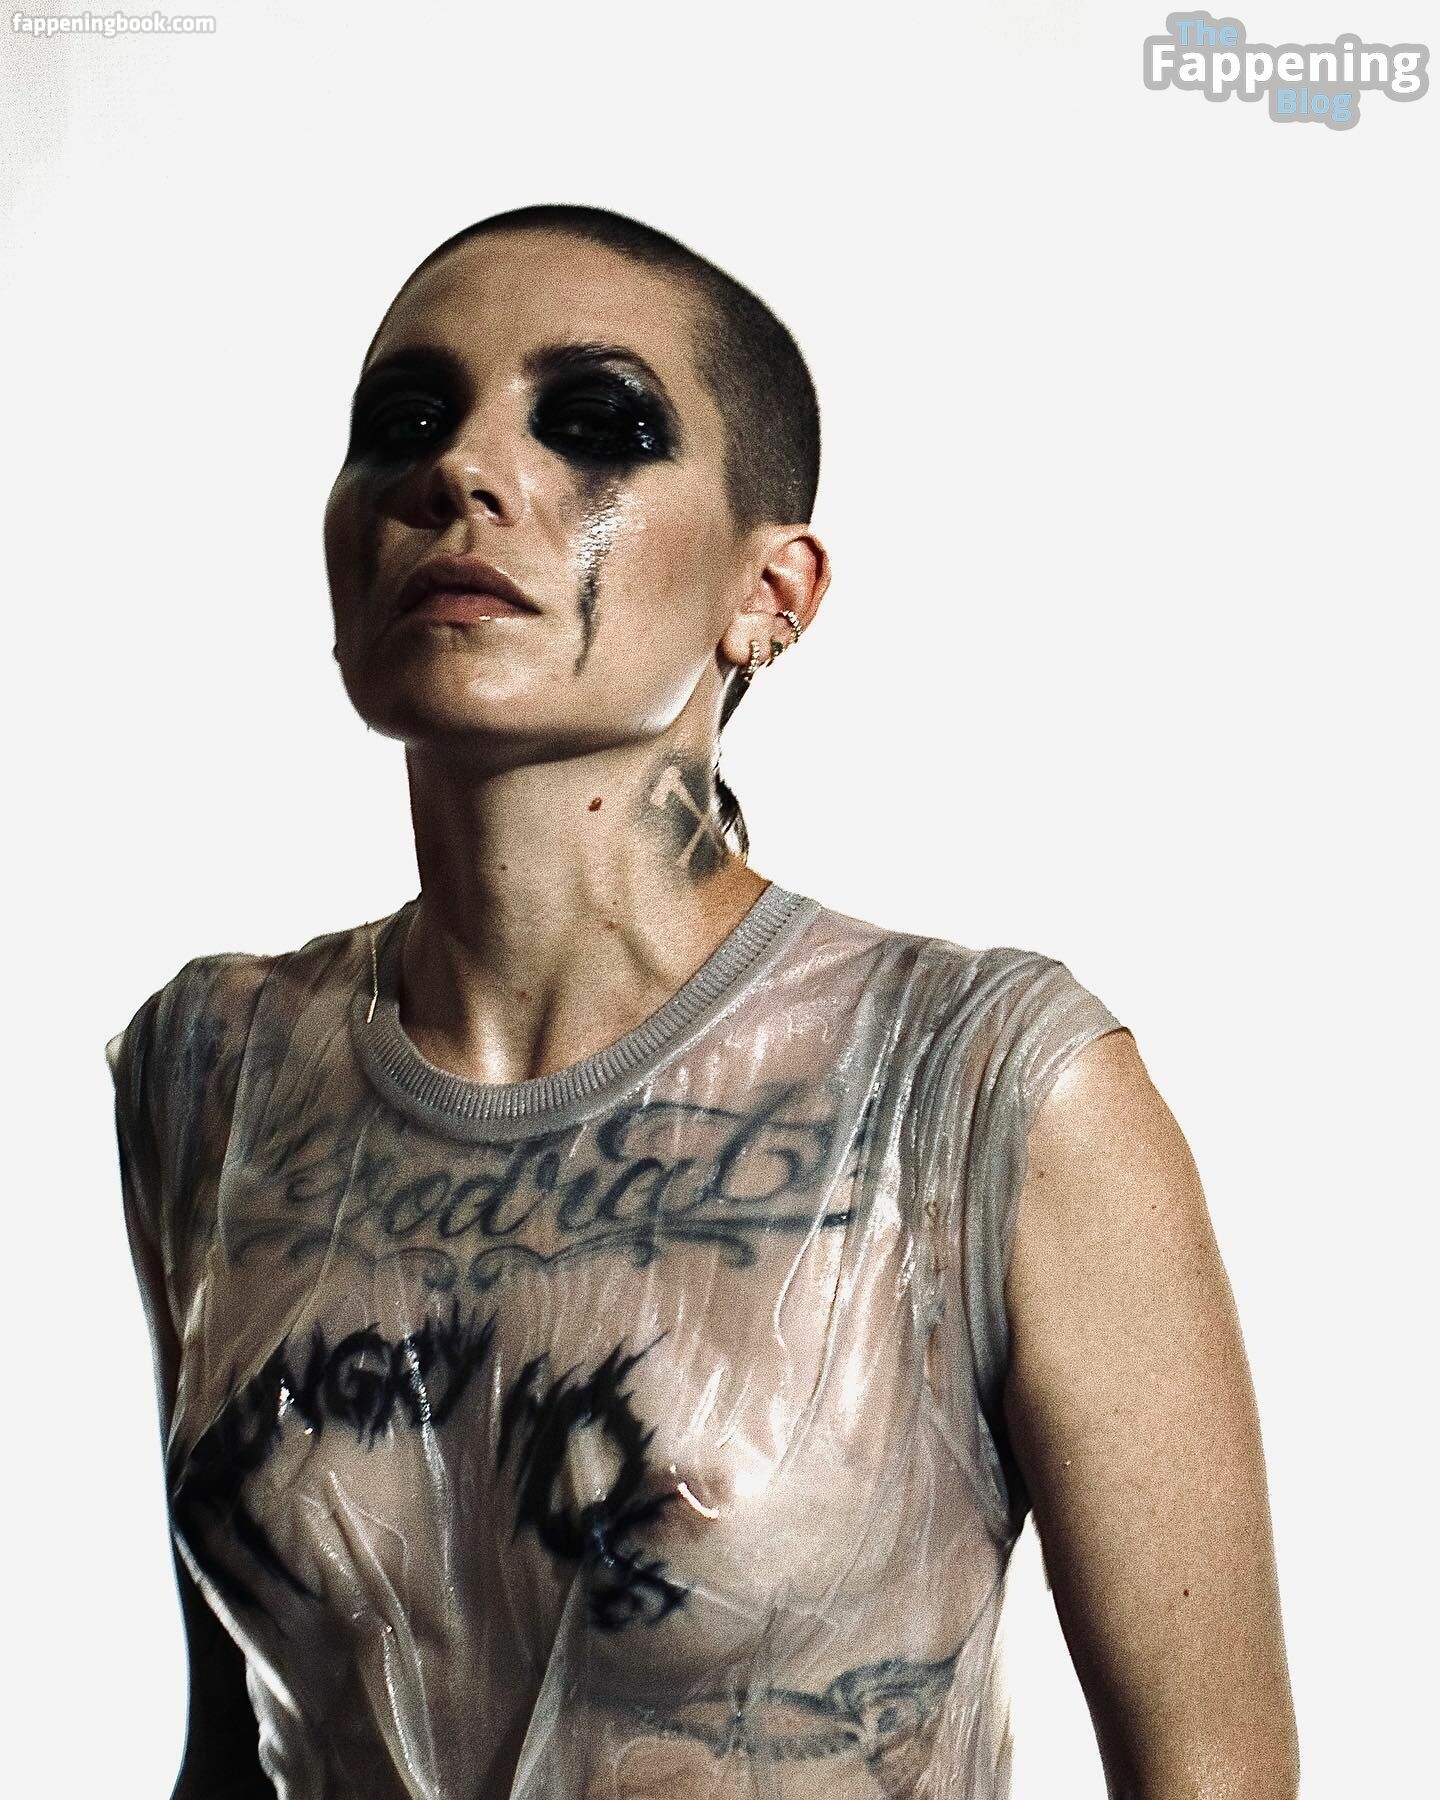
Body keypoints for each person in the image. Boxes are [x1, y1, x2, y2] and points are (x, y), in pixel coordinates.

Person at [107, 204, 1299, 1800]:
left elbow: (1217, 1781)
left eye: (593, 423)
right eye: (406, 417)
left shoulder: (987, 1091)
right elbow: (234, 1739)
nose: (462, 471)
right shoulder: (215, 1072)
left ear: (772, 592)